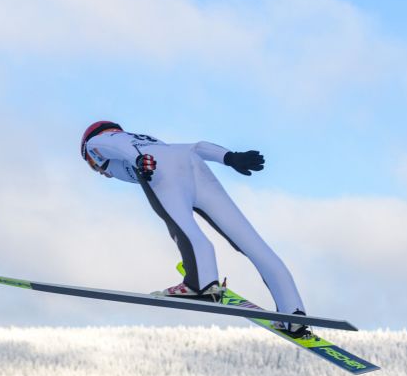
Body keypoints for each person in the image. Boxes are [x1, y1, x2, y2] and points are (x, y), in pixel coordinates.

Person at [80, 120, 309, 336]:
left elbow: (116, 144)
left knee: (184, 228)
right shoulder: (149, 140)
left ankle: (201, 283)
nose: (99, 171)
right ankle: (293, 312)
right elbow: (195, 148)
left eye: (91, 165)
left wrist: (140, 160)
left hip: (159, 171)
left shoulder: (96, 143)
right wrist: (229, 157)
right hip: (192, 165)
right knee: (250, 241)